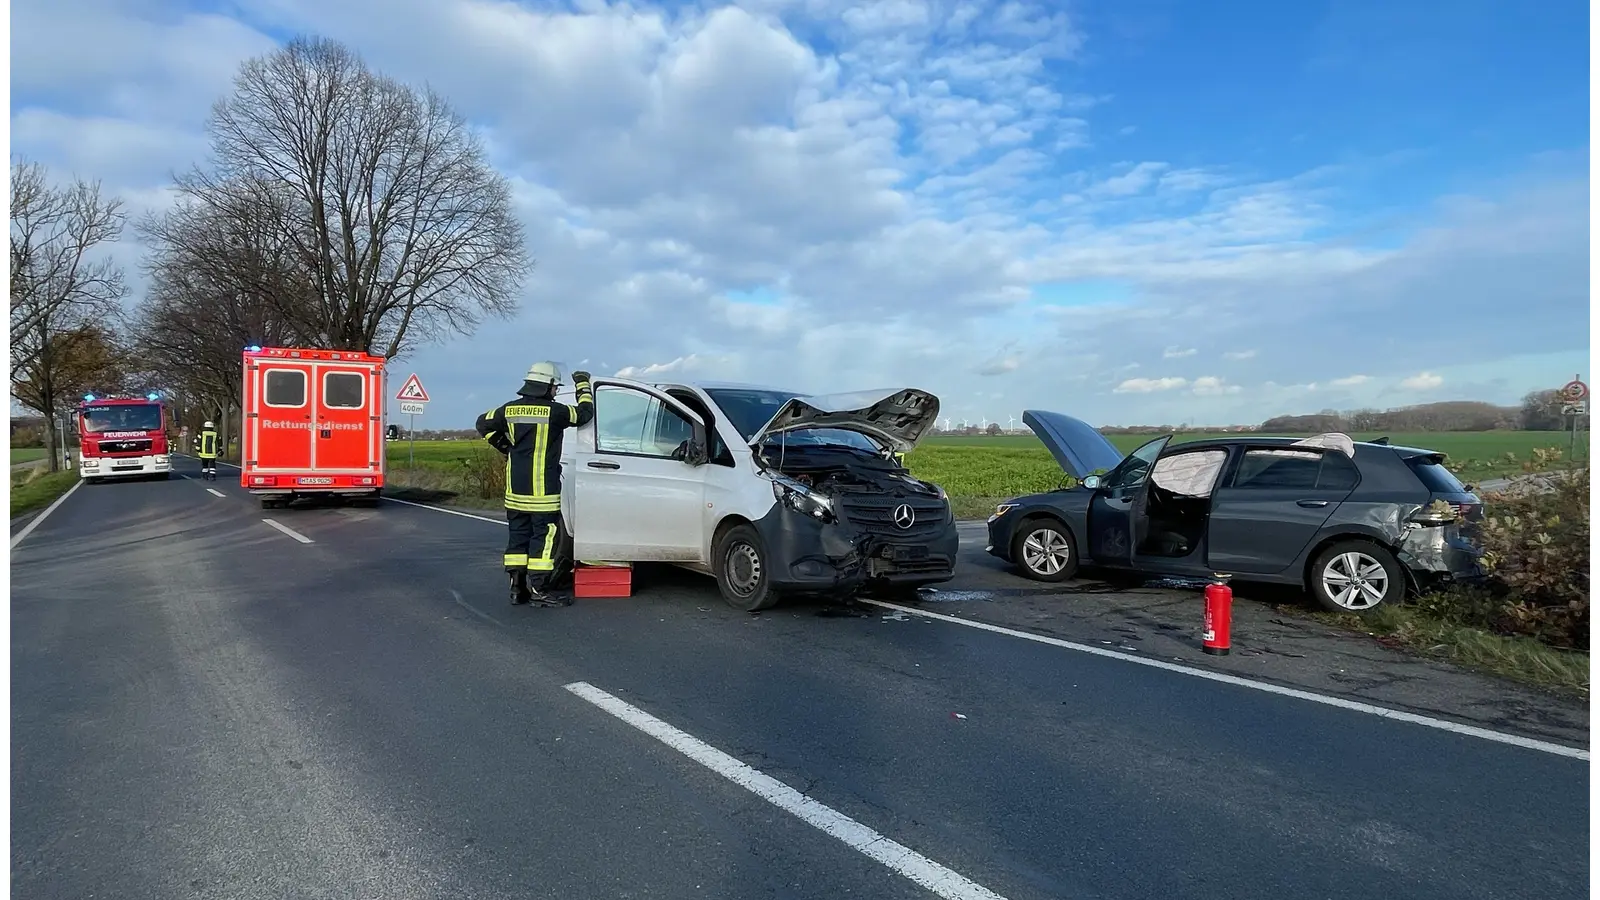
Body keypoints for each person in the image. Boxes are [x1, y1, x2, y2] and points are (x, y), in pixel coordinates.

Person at [476, 363, 594, 606]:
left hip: (515, 491)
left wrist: (504, 446)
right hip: (543, 493)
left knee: (518, 537)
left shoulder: (508, 411)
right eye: (555, 387)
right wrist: (582, 383)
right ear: (549, 386)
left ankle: (517, 589)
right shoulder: (557, 412)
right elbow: (584, 414)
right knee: (544, 538)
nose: (555, 391)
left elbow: (482, 423)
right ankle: (541, 589)